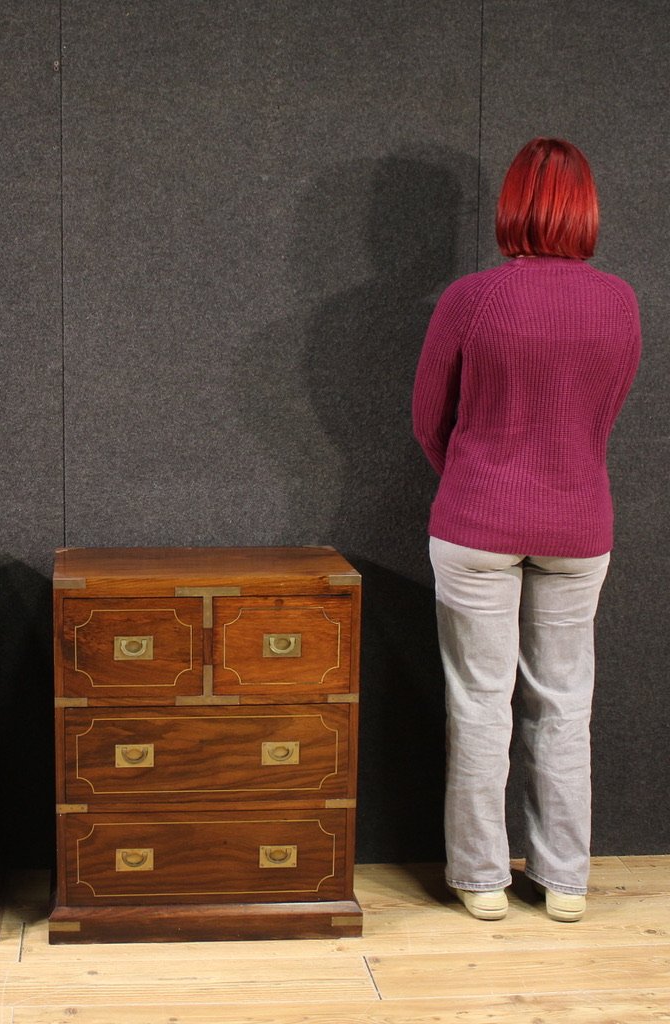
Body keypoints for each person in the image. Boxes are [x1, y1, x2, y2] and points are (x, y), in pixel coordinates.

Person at [412, 137, 641, 923]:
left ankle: (482, 879)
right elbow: (601, 416)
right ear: (587, 209)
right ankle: (565, 879)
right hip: (580, 524)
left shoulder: (472, 298)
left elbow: (428, 420)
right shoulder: (620, 302)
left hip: (476, 522)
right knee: (565, 704)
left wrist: (476, 476)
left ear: (512, 205)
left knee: (481, 703)